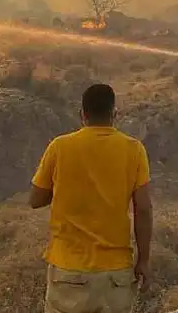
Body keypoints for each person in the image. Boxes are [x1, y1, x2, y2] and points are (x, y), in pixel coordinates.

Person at [30, 84, 153, 313]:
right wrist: (143, 260)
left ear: (82, 115)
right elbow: (143, 208)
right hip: (116, 274)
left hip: (68, 272)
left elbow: (35, 199)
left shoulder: (60, 147)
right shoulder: (134, 149)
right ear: (114, 114)